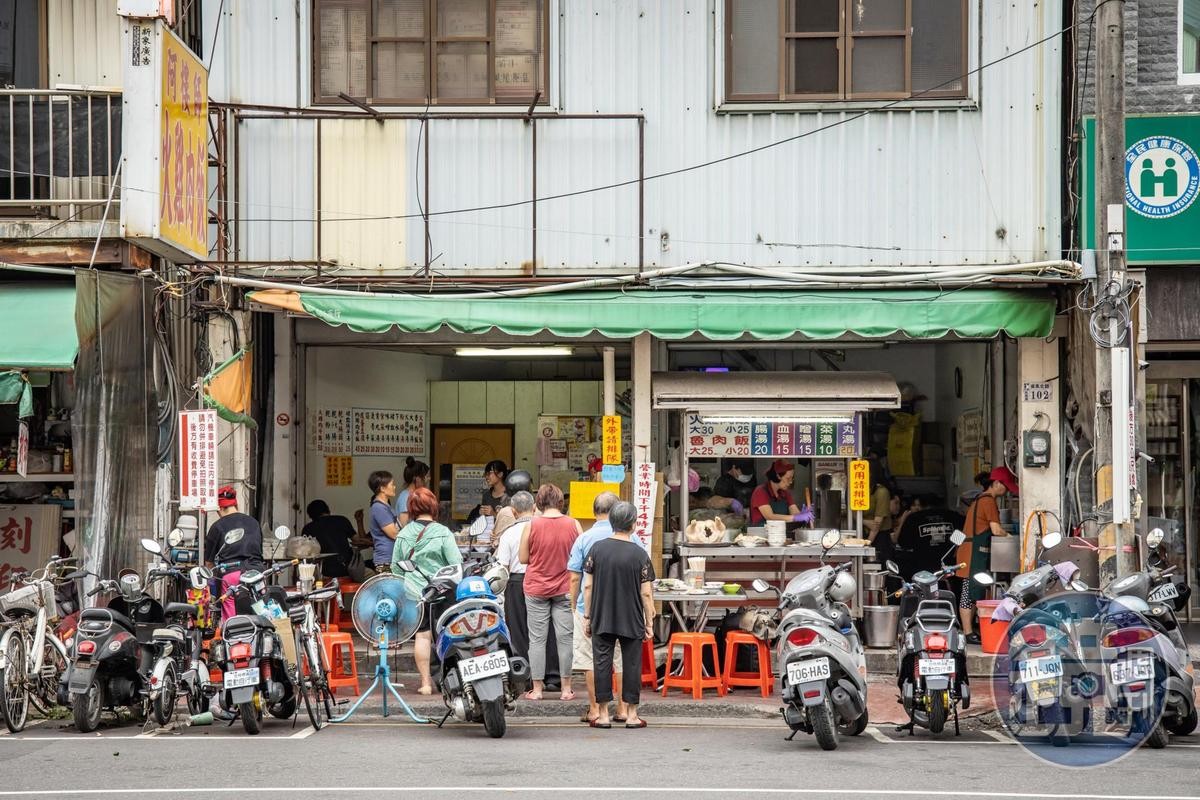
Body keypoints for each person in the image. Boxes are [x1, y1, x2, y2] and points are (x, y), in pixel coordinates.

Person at [567, 490, 641, 724]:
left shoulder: (584, 539)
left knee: (593, 659)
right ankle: (623, 709)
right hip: (627, 609)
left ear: (594, 512)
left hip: (590, 609)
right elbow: (643, 577)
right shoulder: (633, 539)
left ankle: (597, 710)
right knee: (621, 660)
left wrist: (574, 605)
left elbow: (575, 578)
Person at [583, 500, 655, 729]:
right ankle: (632, 715)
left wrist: (587, 616)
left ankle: (603, 715)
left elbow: (588, 587)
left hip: (602, 615)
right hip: (631, 616)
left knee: (601, 663)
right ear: (633, 524)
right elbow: (646, 593)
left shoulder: (597, 549)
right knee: (632, 664)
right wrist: (649, 622)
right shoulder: (640, 554)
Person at [391, 486, 463, 695]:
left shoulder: (404, 534)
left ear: (412, 508)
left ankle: (425, 684)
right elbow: (455, 562)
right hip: (443, 590)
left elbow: (396, 567)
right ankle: (449, 680)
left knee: (423, 637)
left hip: (416, 593)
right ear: (433, 506)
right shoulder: (442, 532)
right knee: (446, 633)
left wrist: (411, 579)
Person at [519, 483, 580, 701]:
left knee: (537, 640)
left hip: (536, 588)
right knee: (565, 639)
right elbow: (580, 559)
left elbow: (523, 558)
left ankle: (537, 689)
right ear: (560, 502)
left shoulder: (532, 525)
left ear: (539, 502)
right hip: (565, 588)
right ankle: (566, 689)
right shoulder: (574, 524)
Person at [955, 466, 1017, 644]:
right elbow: (996, 530)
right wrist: (1010, 536)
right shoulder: (988, 501)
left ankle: (970, 631)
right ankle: (967, 633)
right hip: (973, 555)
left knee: (975, 592)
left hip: (973, 553)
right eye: (1005, 487)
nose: (1006, 492)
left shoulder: (979, 500)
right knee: (968, 593)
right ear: (996, 483)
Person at [204, 485, 264, 620]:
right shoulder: (253, 522)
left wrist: (212, 585)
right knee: (259, 610)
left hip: (231, 575)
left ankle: (232, 635)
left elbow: (209, 564)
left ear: (220, 508)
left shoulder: (217, 526)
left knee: (231, 618)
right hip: (256, 573)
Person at [495, 490, 536, 661]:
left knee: (517, 628)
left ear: (513, 511)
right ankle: (548, 673)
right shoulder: (541, 528)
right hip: (539, 579)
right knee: (540, 628)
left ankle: (523, 667)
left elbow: (502, 566)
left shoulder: (508, 533)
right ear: (534, 508)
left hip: (516, 581)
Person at [895, 495, 964, 580]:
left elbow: (904, 543)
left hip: (921, 566)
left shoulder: (914, 518)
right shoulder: (954, 516)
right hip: (948, 564)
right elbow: (963, 536)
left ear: (921, 505)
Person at [300, 499, 355, 579]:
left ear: (311, 515)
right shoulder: (341, 520)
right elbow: (357, 540)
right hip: (346, 569)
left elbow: (304, 552)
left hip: (322, 571)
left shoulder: (308, 528)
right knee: (370, 573)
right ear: (327, 509)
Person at [749, 459, 809, 525]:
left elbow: (794, 512)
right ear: (778, 476)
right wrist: (795, 518)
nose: (791, 482)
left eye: (792, 478)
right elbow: (770, 517)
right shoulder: (760, 491)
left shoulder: (785, 493)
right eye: (788, 478)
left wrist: (802, 515)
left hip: (781, 533)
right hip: (761, 534)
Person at [367, 470, 401, 571]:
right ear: (382, 488)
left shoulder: (386, 507)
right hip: (386, 561)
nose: (394, 487)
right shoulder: (379, 508)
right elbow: (394, 534)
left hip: (391, 559)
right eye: (392, 484)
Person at [393, 457, 431, 527]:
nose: (429, 479)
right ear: (417, 478)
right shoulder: (406, 497)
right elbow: (403, 526)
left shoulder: (415, 495)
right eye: (427, 476)